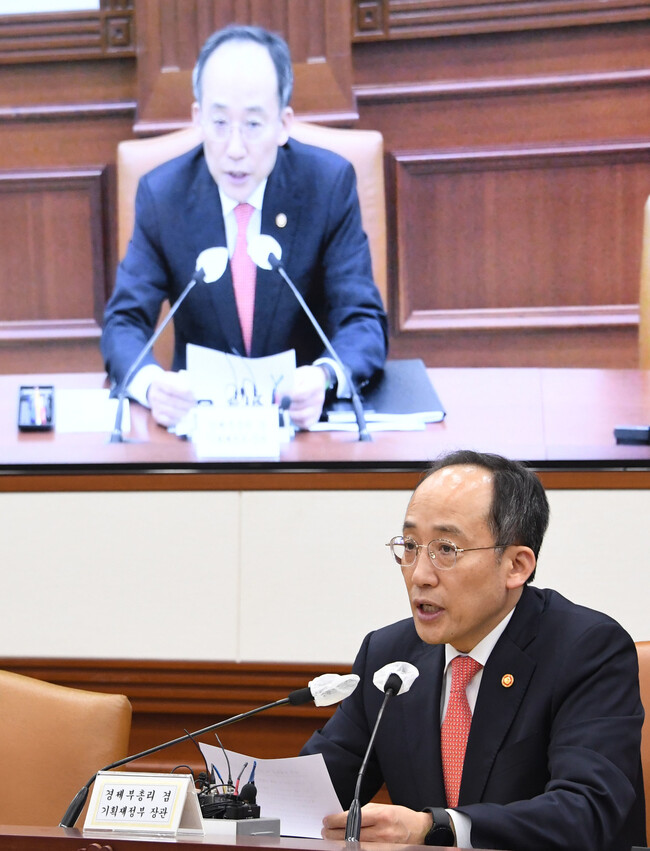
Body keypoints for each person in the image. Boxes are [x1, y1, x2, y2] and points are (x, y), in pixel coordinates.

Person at [301, 449, 646, 850]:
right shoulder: (389, 654)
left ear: (516, 565)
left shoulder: (587, 650)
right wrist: (231, 800)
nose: (420, 574)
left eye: (446, 549)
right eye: (409, 545)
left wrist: (437, 827)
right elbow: (314, 793)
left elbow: (585, 811)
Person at [101, 24, 387, 429]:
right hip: (198, 433)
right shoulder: (163, 196)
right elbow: (124, 323)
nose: (235, 149)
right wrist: (151, 385)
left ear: (284, 124)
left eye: (253, 125)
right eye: (219, 124)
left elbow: (362, 319)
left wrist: (324, 377)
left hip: (303, 430)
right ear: (198, 118)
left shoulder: (327, 186)